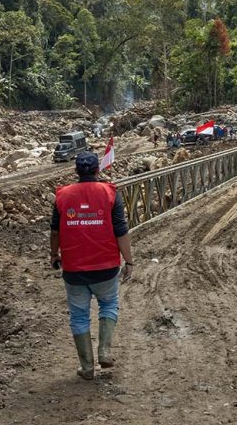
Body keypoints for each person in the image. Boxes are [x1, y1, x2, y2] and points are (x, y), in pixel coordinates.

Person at [50, 152, 134, 380]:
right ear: (98, 170)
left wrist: (53, 254)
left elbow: (56, 231)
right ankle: (105, 351)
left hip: (74, 269)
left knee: (79, 315)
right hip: (105, 267)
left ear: (76, 171)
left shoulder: (62, 196)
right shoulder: (109, 193)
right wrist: (129, 260)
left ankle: (87, 368)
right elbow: (120, 230)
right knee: (108, 305)